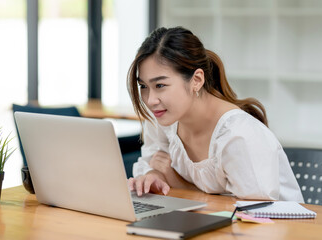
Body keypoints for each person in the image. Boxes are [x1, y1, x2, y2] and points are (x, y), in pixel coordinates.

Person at [127, 26, 304, 202]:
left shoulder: (239, 136)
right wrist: (154, 174)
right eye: (143, 86)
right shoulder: (163, 118)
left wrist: (177, 182)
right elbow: (151, 163)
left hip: (279, 227)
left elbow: (257, 215)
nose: (150, 100)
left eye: (160, 86)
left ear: (196, 80)